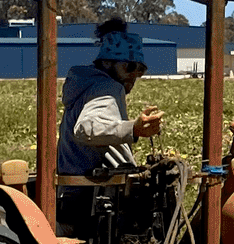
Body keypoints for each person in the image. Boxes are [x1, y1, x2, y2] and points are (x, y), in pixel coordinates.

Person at [58, 17, 164, 181]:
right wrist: (133, 130)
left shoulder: (85, 85)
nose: (134, 75)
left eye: (140, 70)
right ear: (107, 63)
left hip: (75, 189)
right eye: (129, 67)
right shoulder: (108, 87)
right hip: (96, 195)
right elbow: (85, 129)